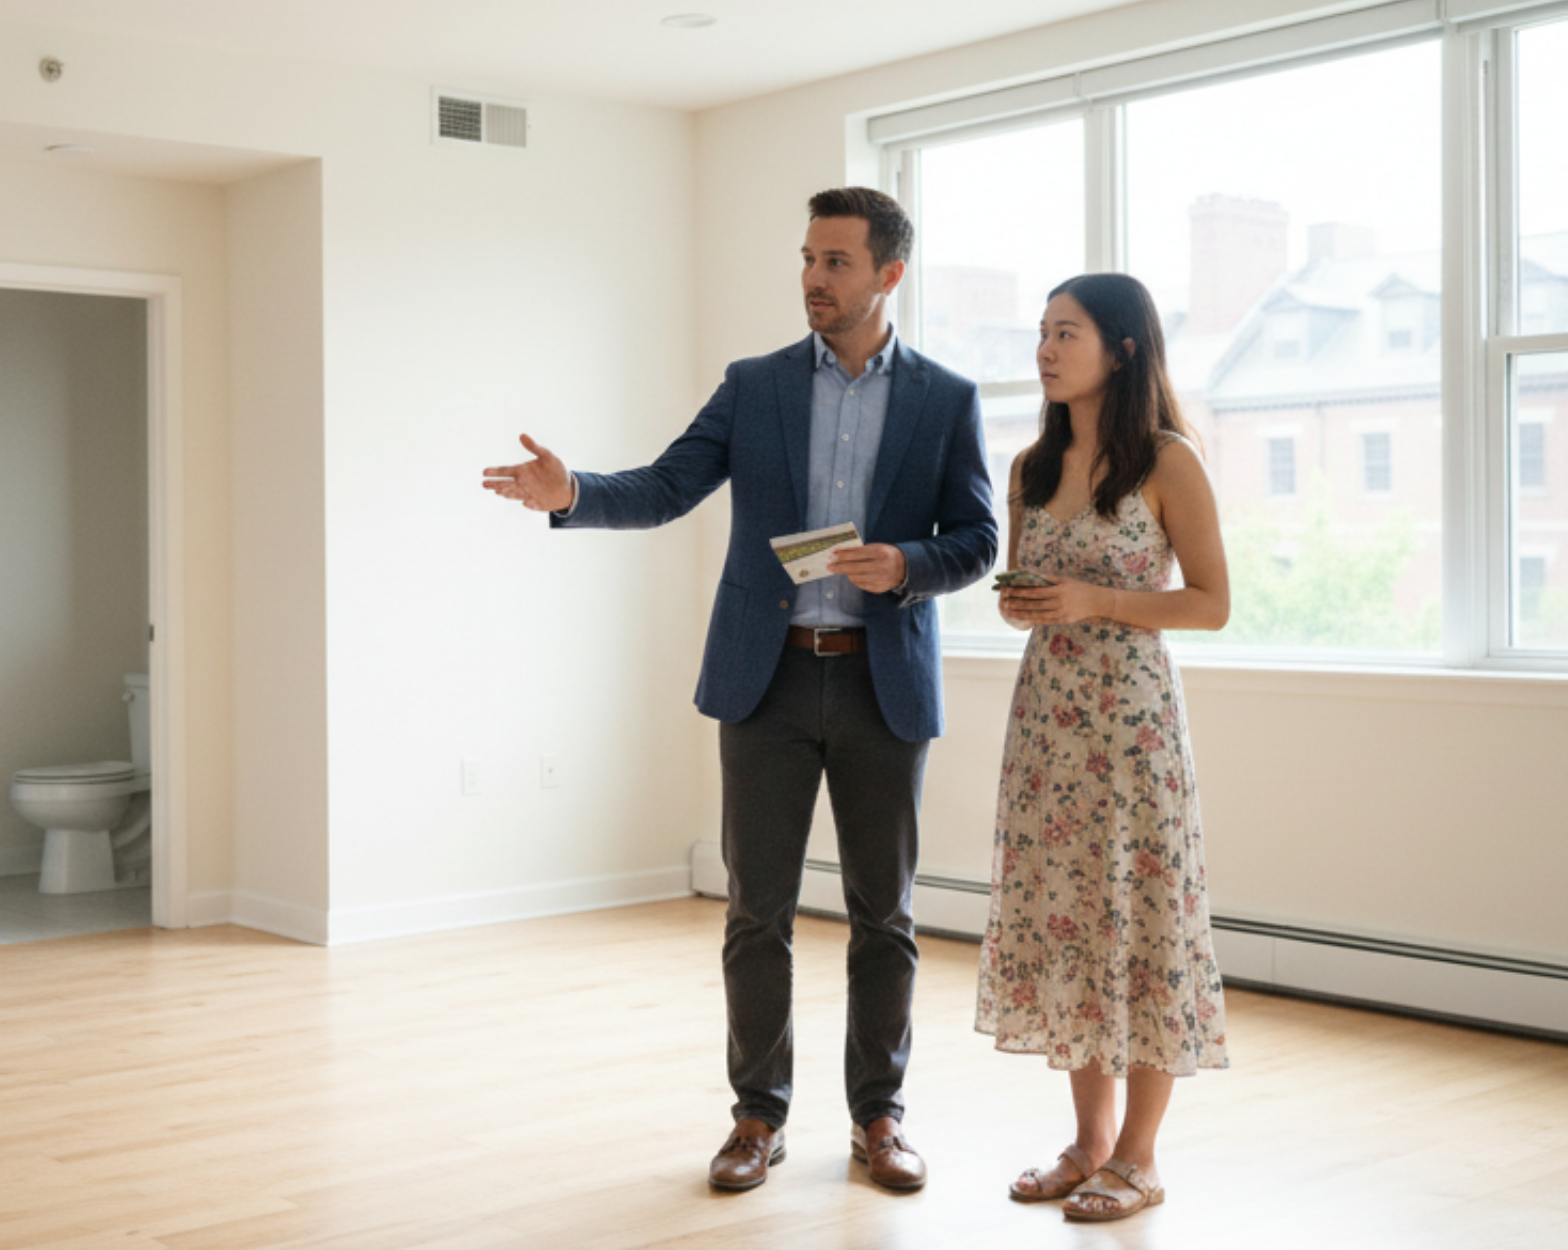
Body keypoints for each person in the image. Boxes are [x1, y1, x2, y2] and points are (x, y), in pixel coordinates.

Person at [481, 187, 996, 1195]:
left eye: (837, 261)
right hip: (763, 681)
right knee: (754, 911)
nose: (813, 277)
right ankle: (755, 1115)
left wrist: (909, 563)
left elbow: (978, 538)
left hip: (880, 687)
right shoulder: (754, 384)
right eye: (807, 258)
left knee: (882, 916)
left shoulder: (945, 397)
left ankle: (878, 1117)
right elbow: (669, 484)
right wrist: (574, 491)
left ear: (888, 273)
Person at [974, 272, 1231, 1223]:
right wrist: (1025, 603)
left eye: (1066, 333)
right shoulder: (1031, 467)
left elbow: (1210, 603)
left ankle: (1140, 1156)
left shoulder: (1170, 462)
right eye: (1040, 332)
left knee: (1145, 924)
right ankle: (1086, 1145)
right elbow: (1030, 593)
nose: (1044, 349)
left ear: (1121, 349)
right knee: (1070, 921)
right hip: (1046, 722)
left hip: (1132, 729)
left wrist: (1095, 601)